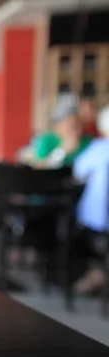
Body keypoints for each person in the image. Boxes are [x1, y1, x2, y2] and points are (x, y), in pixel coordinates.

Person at [72, 104, 109, 294]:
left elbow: (78, 171)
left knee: (76, 230)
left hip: (99, 221)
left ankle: (96, 274)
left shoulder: (100, 148)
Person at [33, 103, 92, 167]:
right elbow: (39, 167)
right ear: (58, 127)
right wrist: (62, 152)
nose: (79, 130)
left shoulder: (88, 141)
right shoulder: (45, 141)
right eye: (73, 126)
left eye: (81, 125)